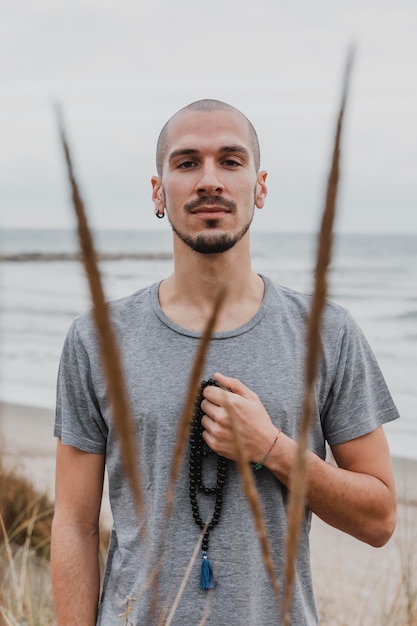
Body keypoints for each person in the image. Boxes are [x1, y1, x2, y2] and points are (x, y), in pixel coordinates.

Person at [51, 99, 399, 625]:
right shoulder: (96, 339)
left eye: (230, 161)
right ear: (158, 192)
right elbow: (74, 524)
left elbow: (380, 518)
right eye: (187, 162)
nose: (209, 180)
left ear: (259, 187)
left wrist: (274, 449)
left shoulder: (328, 332)